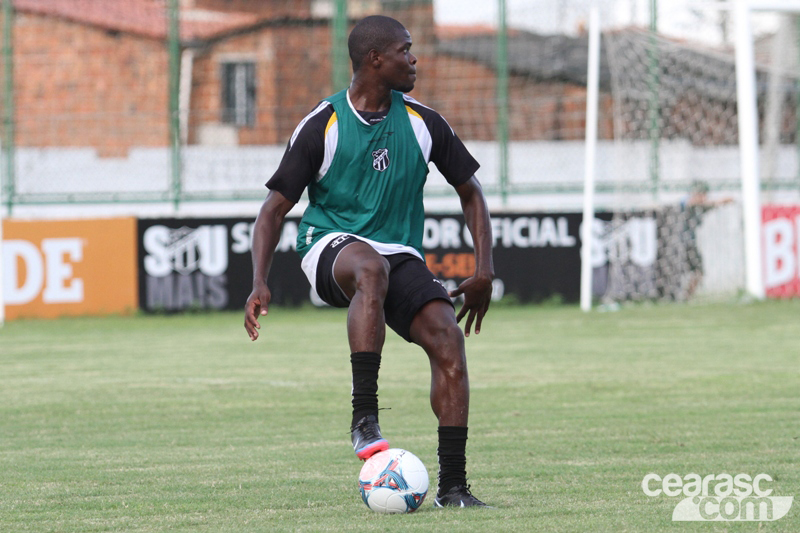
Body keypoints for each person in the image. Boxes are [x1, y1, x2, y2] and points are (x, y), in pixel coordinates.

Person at [244, 15, 494, 508]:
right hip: (328, 245)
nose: (414, 58)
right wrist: (259, 281)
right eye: (405, 50)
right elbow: (273, 209)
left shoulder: (423, 122)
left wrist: (485, 269)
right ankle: (364, 416)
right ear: (375, 59)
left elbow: (472, 192)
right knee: (369, 269)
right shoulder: (324, 123)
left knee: (448, 338)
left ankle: (454, 487)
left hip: (397, 253)